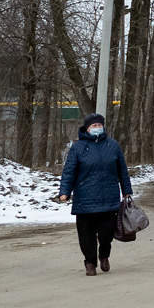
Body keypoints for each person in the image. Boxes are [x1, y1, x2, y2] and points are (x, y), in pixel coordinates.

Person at [57, 113, 133, 277]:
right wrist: (64, 192)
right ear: (87, 128)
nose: (97, 128)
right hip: (84, 199)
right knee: (86, 235)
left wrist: (126, 190)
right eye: (94, 126)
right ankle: (90, 262)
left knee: (107, 233)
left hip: (109, 197)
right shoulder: (78, 148)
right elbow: (69, 171)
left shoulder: (112, 145)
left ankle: (104, 255)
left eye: (99, 126)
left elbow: (122, 170)